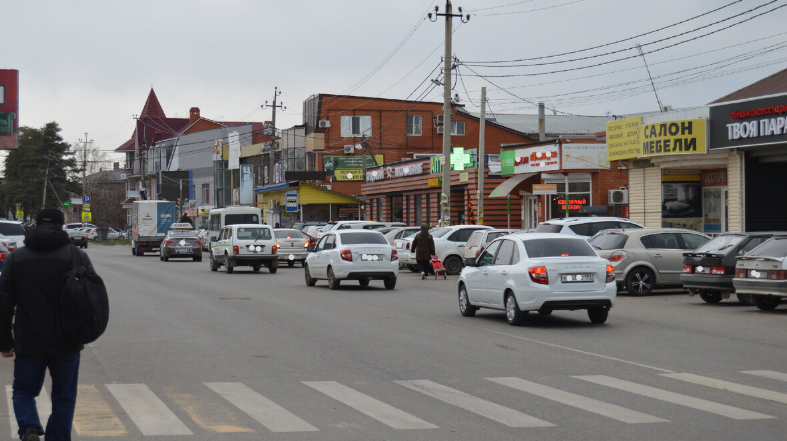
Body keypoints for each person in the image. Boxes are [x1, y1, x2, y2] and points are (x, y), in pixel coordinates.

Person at [0, 208, 94, 441]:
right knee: (64, 395)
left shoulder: (17, 257)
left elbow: (4, 302)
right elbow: (91, 296)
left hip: (28, 340)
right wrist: (87, 330)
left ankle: (29, 428)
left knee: (23, 391)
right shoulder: (75, 255)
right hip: (67, 340)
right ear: (62, 226)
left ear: (34, 226)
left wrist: (4, 340)